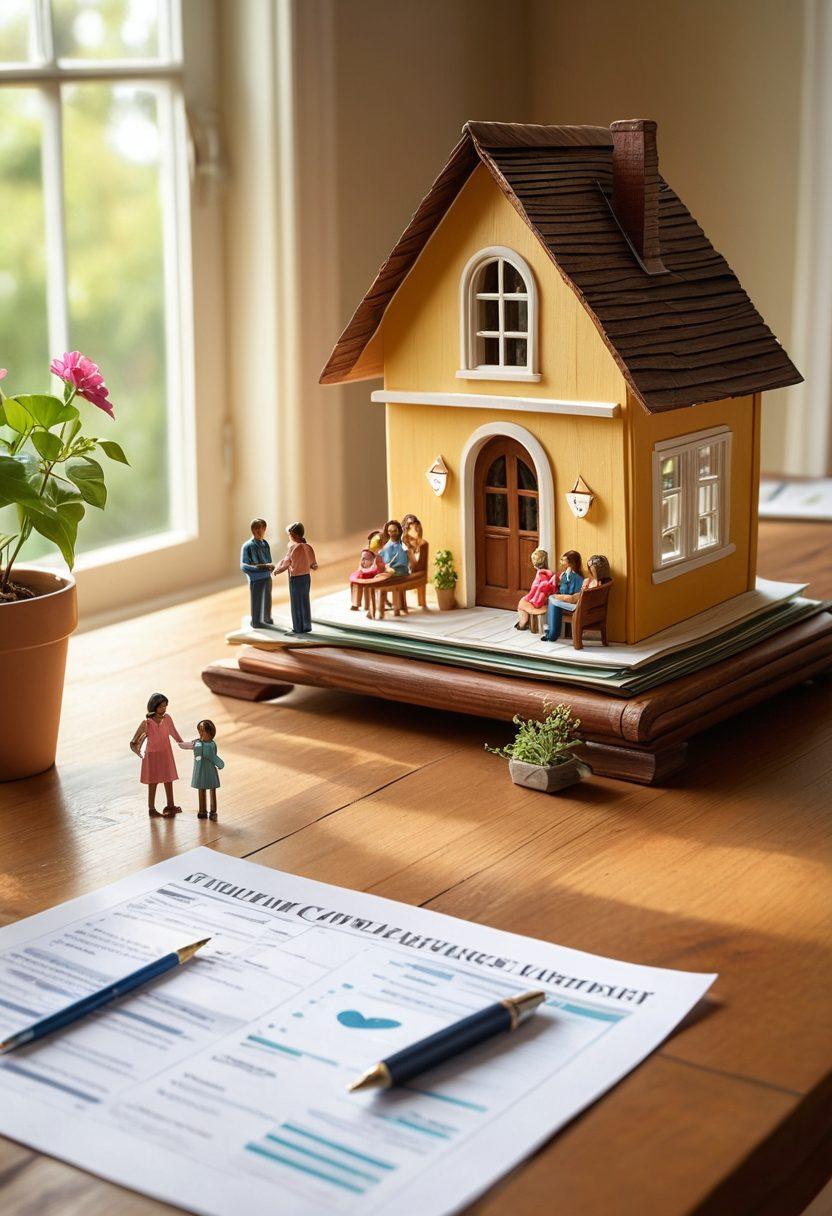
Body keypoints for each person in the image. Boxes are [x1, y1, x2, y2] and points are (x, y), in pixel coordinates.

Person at [130, 693, 184, 818]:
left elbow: (174, 732)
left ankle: (171, 805)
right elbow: (135, 740)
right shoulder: (147, 723)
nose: (164, 709)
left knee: (168, 779)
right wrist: (138, 750)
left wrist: (181, 743)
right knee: (152, 781)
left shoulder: (167, 719)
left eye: (165, 706)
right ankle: (151, 808)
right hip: (152, 756)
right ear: (154, 706)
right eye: (161, 707)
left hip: (166, 753)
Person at [275, 522, 318, 633]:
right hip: (306, 577)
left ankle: (298, 628)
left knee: (296, 603)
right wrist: (312, 565)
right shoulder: (308, 546)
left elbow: (286, 563)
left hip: (295, 578)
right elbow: (313, 563)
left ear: (293, 535)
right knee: (305, 601)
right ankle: (307, 626)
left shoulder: (293, 548)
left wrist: (277, 570)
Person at [178, 720, 224, 820]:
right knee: (201, 790)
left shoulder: (210, 744)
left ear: (210, 732)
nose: (201, 734)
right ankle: (202, 811)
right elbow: (186, 745)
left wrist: (220, 764)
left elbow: (212, 756)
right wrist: (180, 742)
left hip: (210, 770)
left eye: (203, 731)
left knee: (212, 790)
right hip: (200, 770)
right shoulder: (198, 743)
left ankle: (213, 811)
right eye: (200, 731)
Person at [541, 551, 586, 642]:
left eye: (563, 560)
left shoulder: (575, 577)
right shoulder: (566, 574)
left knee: (552, 600)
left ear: (571, 563)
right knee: (553, 601)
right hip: (567, 600)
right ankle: (551, 632)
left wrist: (562, 586)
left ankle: (552, 634)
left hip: (572, 603)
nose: (561, 562)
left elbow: (568, 593)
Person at [240, 518, 275, 629]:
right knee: (256, 601)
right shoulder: (247, 546)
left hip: (267, 577)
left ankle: (266, 617)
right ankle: (256, 621)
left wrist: (270, 566)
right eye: (258, 529)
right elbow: (243, 566)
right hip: (256, 579)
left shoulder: (265, 544)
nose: (261, 532)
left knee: (267, 599)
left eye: (263, 529)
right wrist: (257, 568)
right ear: (253, 530)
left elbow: (268, 560)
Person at [515, 549, 555, 630]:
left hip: (538, 602)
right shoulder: (550, 573)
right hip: (546, 600)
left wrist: (527, 598)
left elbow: (534, 591)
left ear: (535, 564)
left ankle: (522, 623)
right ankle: (526, 621)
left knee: (521, 603)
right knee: (524, 601)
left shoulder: (539, 575)